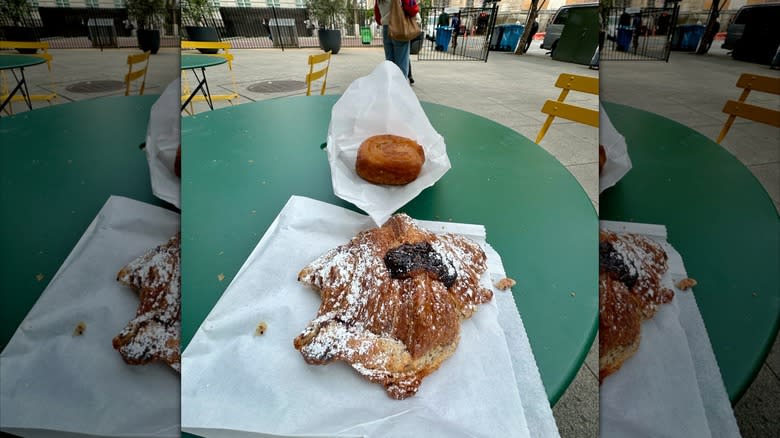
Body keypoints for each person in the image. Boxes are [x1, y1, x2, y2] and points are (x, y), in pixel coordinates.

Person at [374, 0, 419, 79]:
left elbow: (378, 18)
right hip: (399, 27)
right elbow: (412, 9)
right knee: (402, 67)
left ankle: (391, 89)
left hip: (386, 29)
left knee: (390, 66)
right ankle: (401, 89)